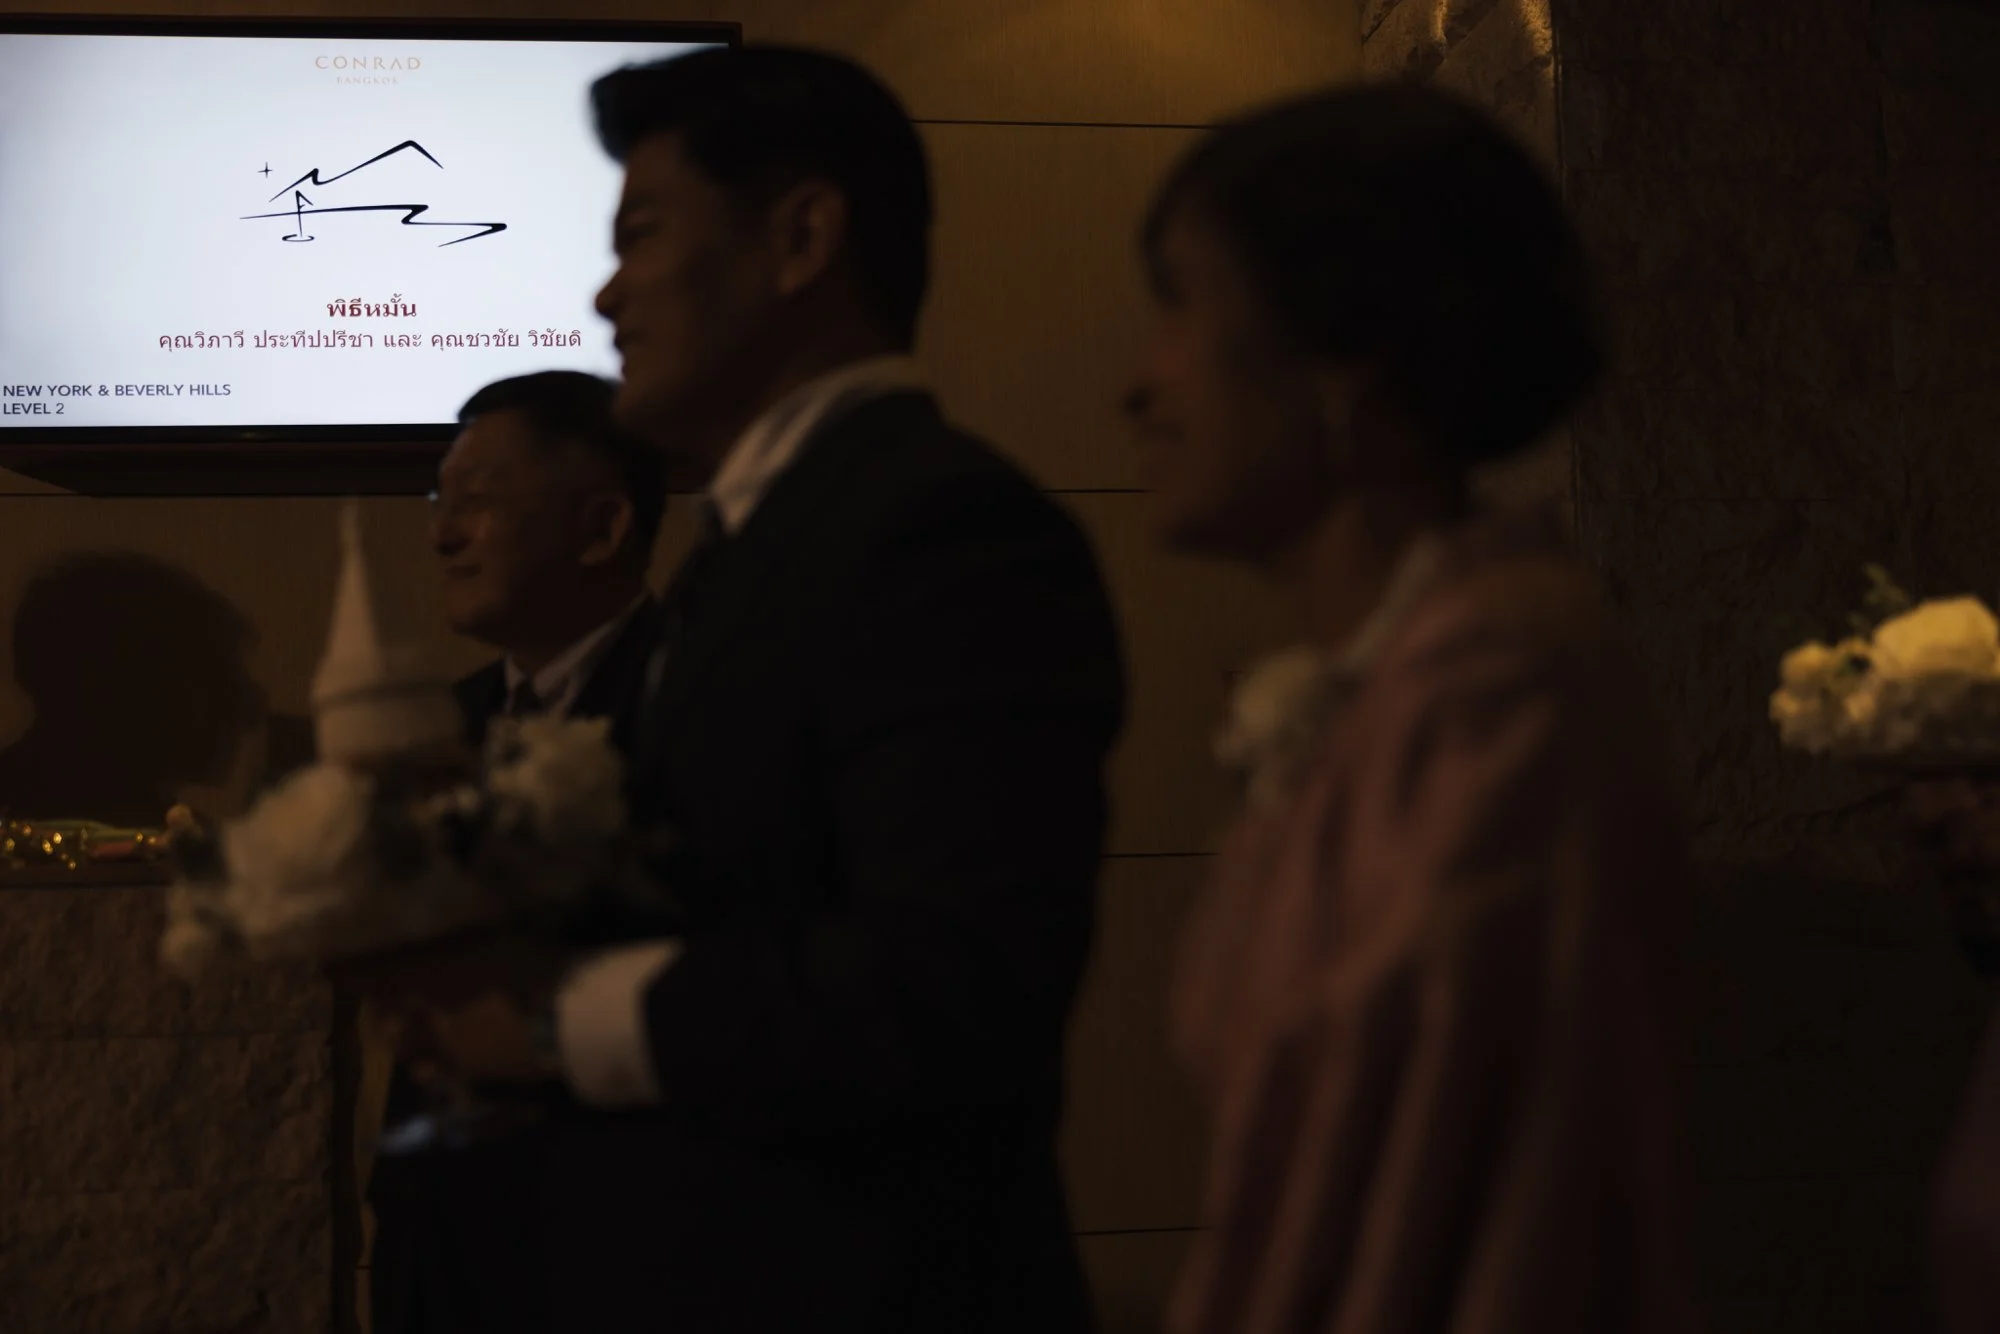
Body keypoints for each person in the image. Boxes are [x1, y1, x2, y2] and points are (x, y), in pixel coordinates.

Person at [392, 45, 1126, 1334]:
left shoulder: (941, 526)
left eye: (641, 235)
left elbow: (951, 983)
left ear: (800, 238)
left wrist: (556, 1018)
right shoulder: (752, 546)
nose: (605, 293)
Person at [1126, 84, 1696, 1334]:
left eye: (1180, 306)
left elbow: (1428, 1208)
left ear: (1346, 354)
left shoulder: (1493, 685)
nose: (1139, 381)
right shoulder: (1407, 672)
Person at [365, 370, 665, 1334]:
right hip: (443, 1250)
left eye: (479, 501)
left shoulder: (700, 704)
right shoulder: (441, 726)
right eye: (439, 502)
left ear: (601, 528)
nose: (442, 535)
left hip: (629, 1248)